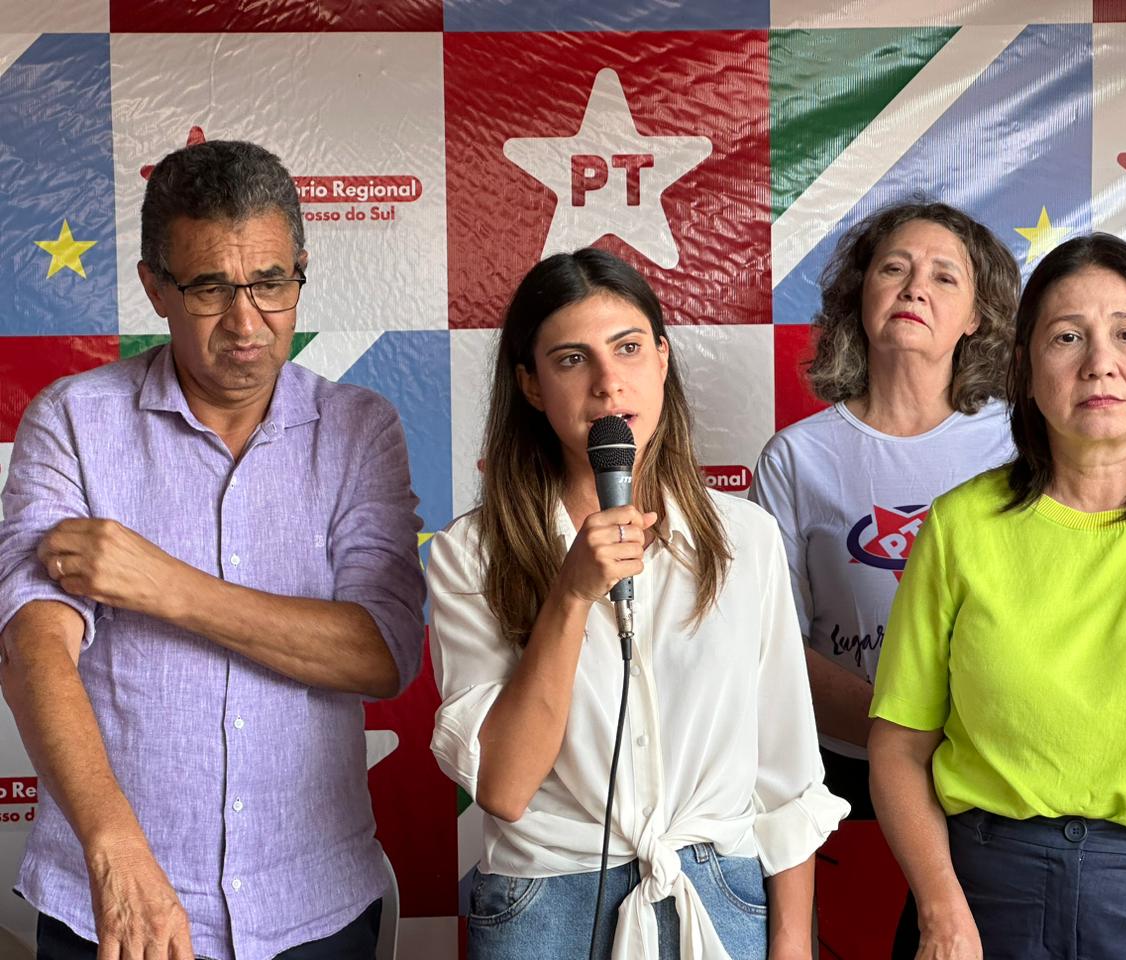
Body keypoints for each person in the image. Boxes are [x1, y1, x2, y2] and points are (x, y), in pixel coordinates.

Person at [0, 140, 426, 960]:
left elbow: (382, 654)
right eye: (208, 288)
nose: (246, 323)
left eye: (270, 283)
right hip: (112, 903)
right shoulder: (73, 422)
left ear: (300, 270)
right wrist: (116, 847)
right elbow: (33, 652)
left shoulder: (357, 427)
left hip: (314, 906)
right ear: (154, 286)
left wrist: (162, 584)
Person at [869, 233, 1126, 960]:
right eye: (1067, 337)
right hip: (984, 895)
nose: (1100, 363)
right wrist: (941, 910)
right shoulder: (962, 524)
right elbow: (899, 748)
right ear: (1025, 369)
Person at [428, 248, 848, 959]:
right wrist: (570, 594)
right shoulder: (472, 554)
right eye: (570, 360)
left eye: (627, 349)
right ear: (530, 385)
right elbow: (503, 786)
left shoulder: (745, 538)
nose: (606, 383)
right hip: (549, 902)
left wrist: (791, 944)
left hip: (719, 892)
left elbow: (787, 773)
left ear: (661, 359)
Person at [750, 202, 1018, 953]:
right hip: (834, 774)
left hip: (983, 776)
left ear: (976, 316)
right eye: (894, 268)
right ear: (860, 297)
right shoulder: (798, 457)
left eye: (943, 275)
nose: (914, 288)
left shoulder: (1015, 448)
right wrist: (895, 734)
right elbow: (770, 646)